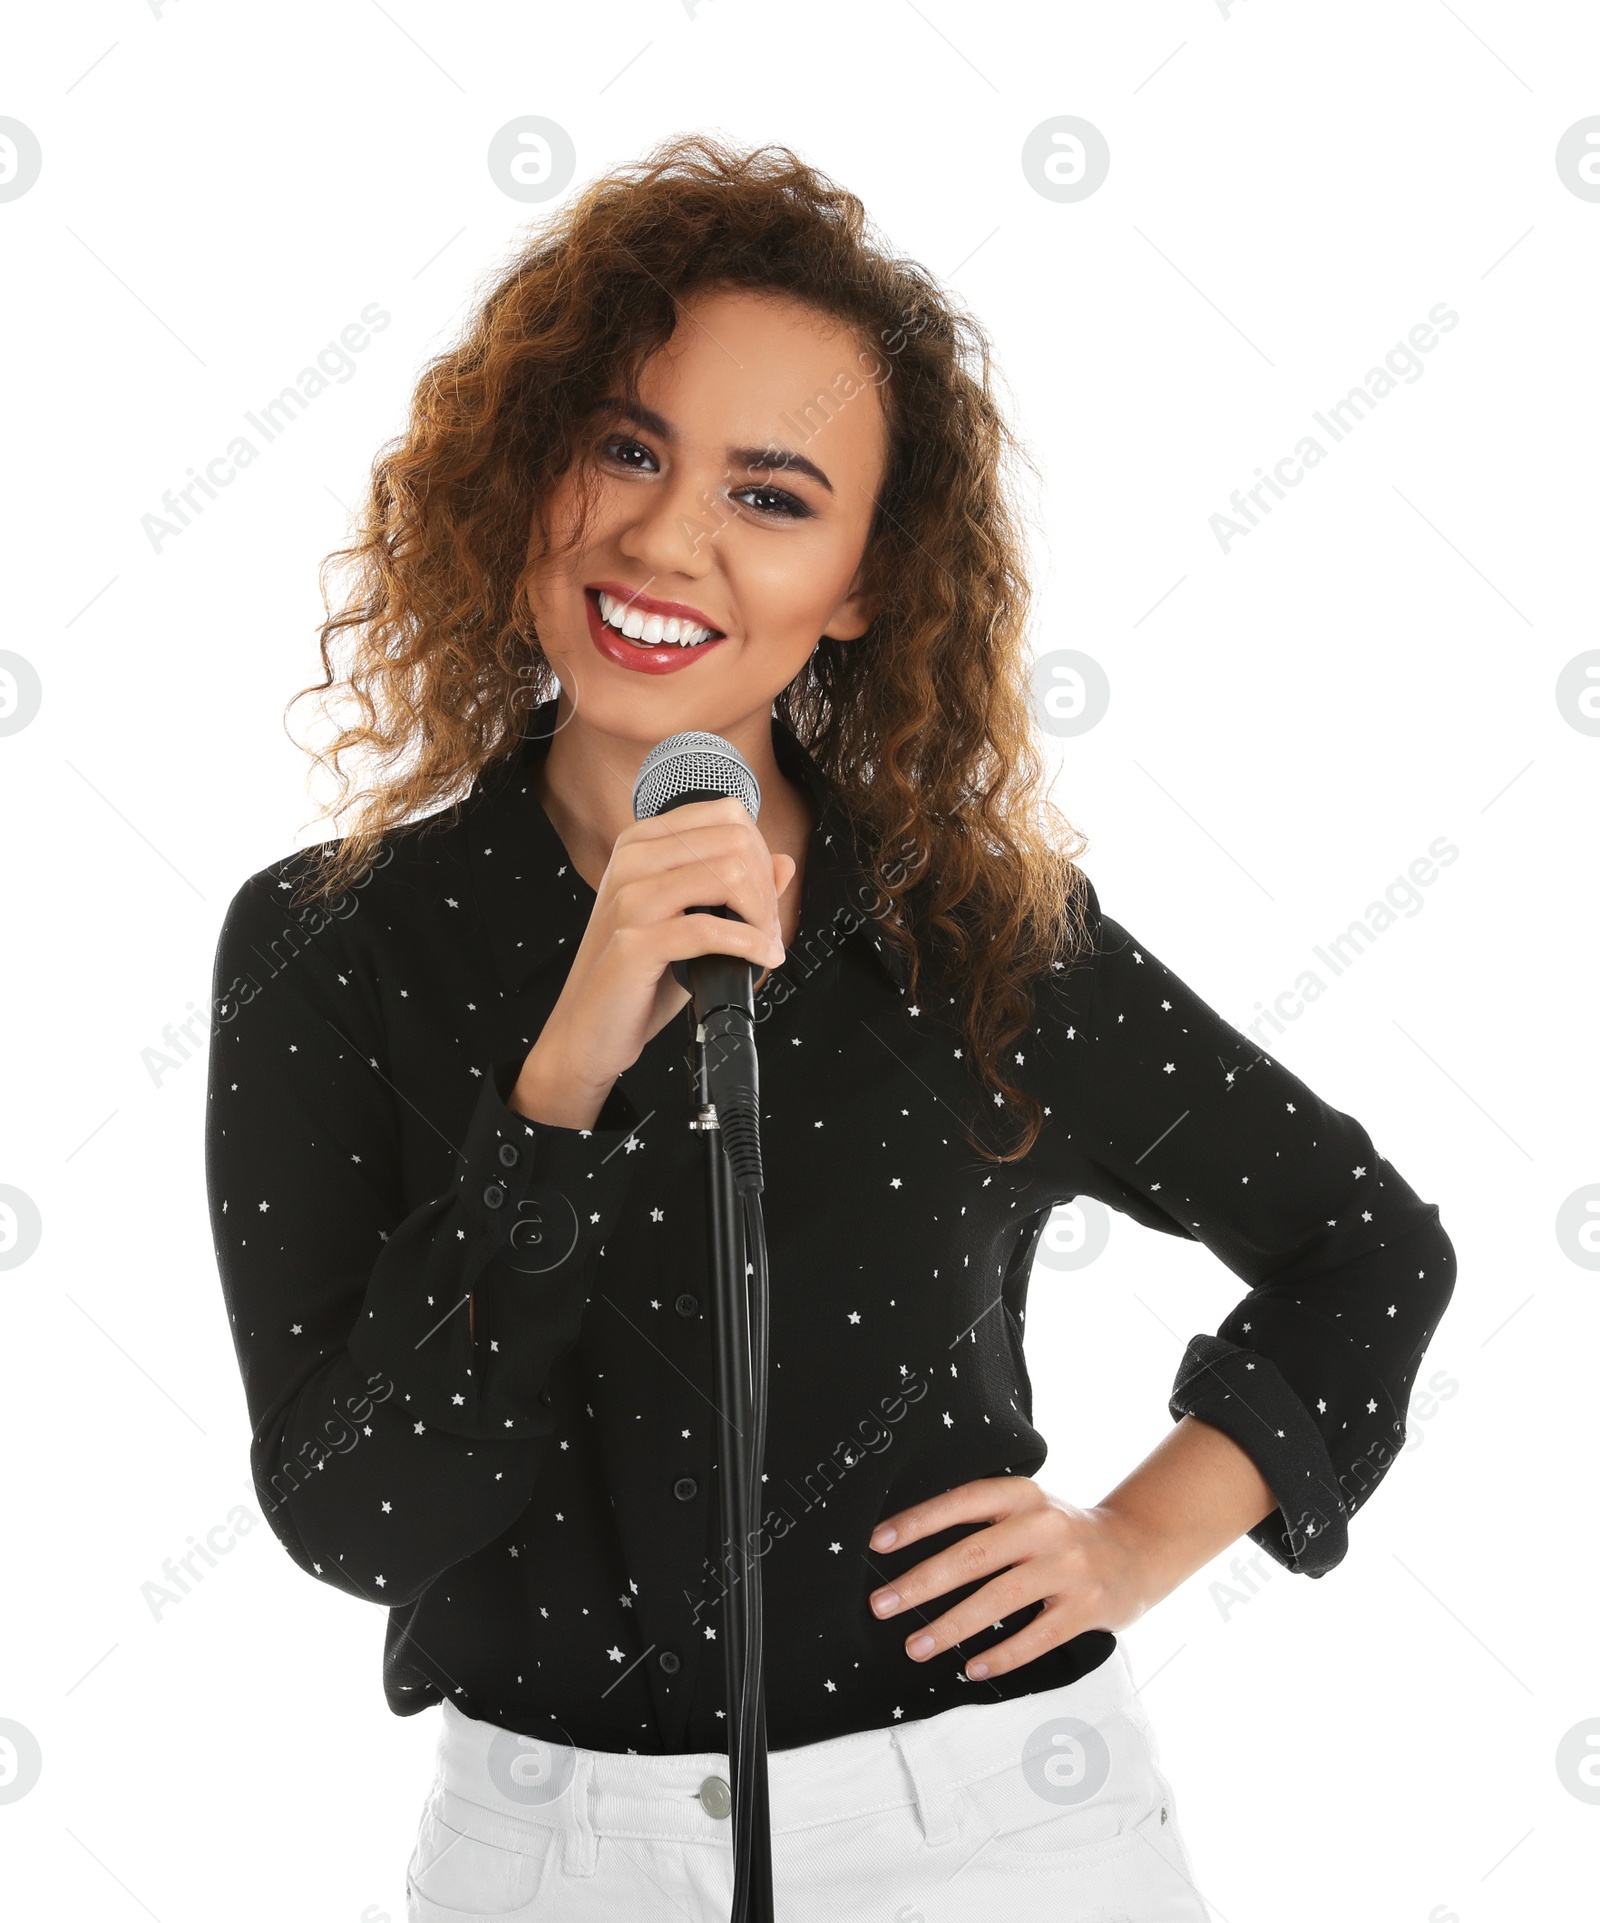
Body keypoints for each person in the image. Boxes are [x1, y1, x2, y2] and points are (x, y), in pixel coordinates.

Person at [205, 135, 1457, 1921]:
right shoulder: (334, 945)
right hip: (548, 1862)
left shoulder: (974, 933)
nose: (663, 536)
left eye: (772, 496)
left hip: (996, 1845)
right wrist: (564, 1067)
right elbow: (359, 1518)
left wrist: (1127, 1546)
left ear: (867, 582)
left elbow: (1368, 1248)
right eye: (627, 447)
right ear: (534, 461)